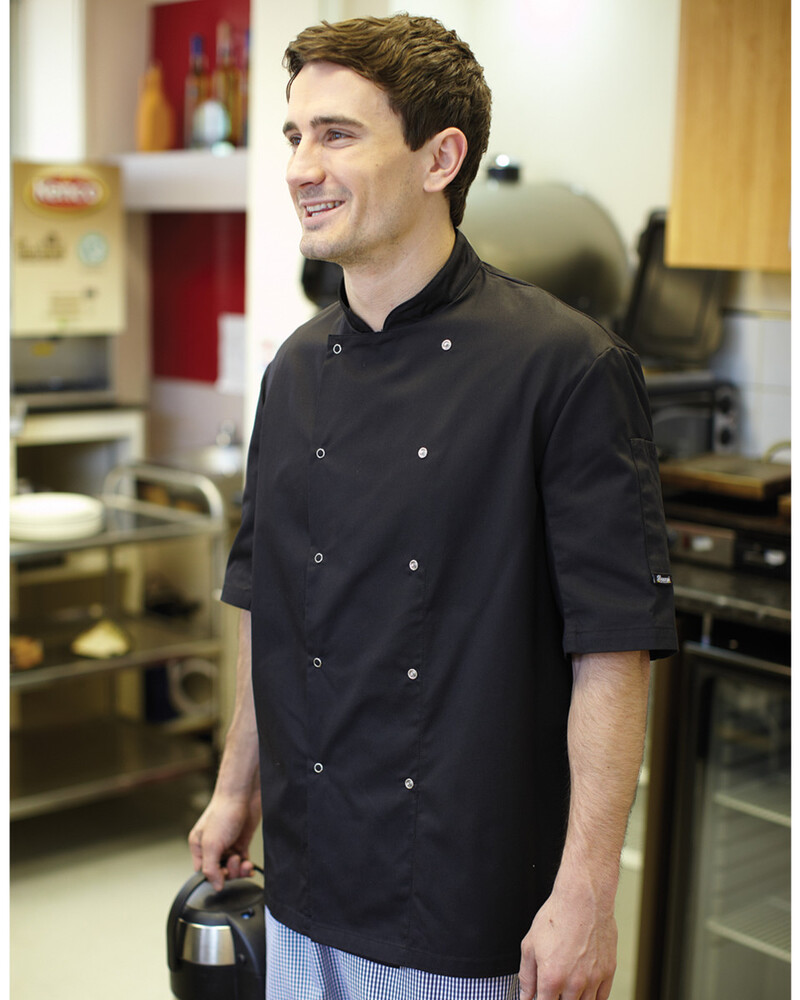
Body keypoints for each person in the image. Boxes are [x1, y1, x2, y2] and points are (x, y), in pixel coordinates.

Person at [189, 13, 677, 1000]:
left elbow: (613, 647)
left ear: (439, 159)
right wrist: (236, 784)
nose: (300, 167)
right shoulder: (294, 368)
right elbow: (265, 599)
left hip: (464, 900)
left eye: (337, 134)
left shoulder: (565, 367)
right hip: (303, 876)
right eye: (294, 135)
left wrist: (587, 889)